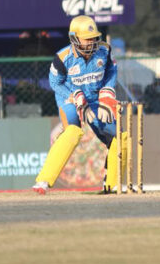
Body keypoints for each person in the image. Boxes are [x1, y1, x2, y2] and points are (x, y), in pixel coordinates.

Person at [32, 16, 120, 195]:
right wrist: (74, 96)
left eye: (94, 38)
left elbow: (112, 70)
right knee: (72, 132)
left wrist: (108, 90)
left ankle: (112, 184)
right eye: (87, 39)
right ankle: (43, 181)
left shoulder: (105, 50)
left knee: (119, 137)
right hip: (70, 98)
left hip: (95, 98)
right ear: (74, 38)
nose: (92, 42)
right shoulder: (63, 57)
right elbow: (55, 83)